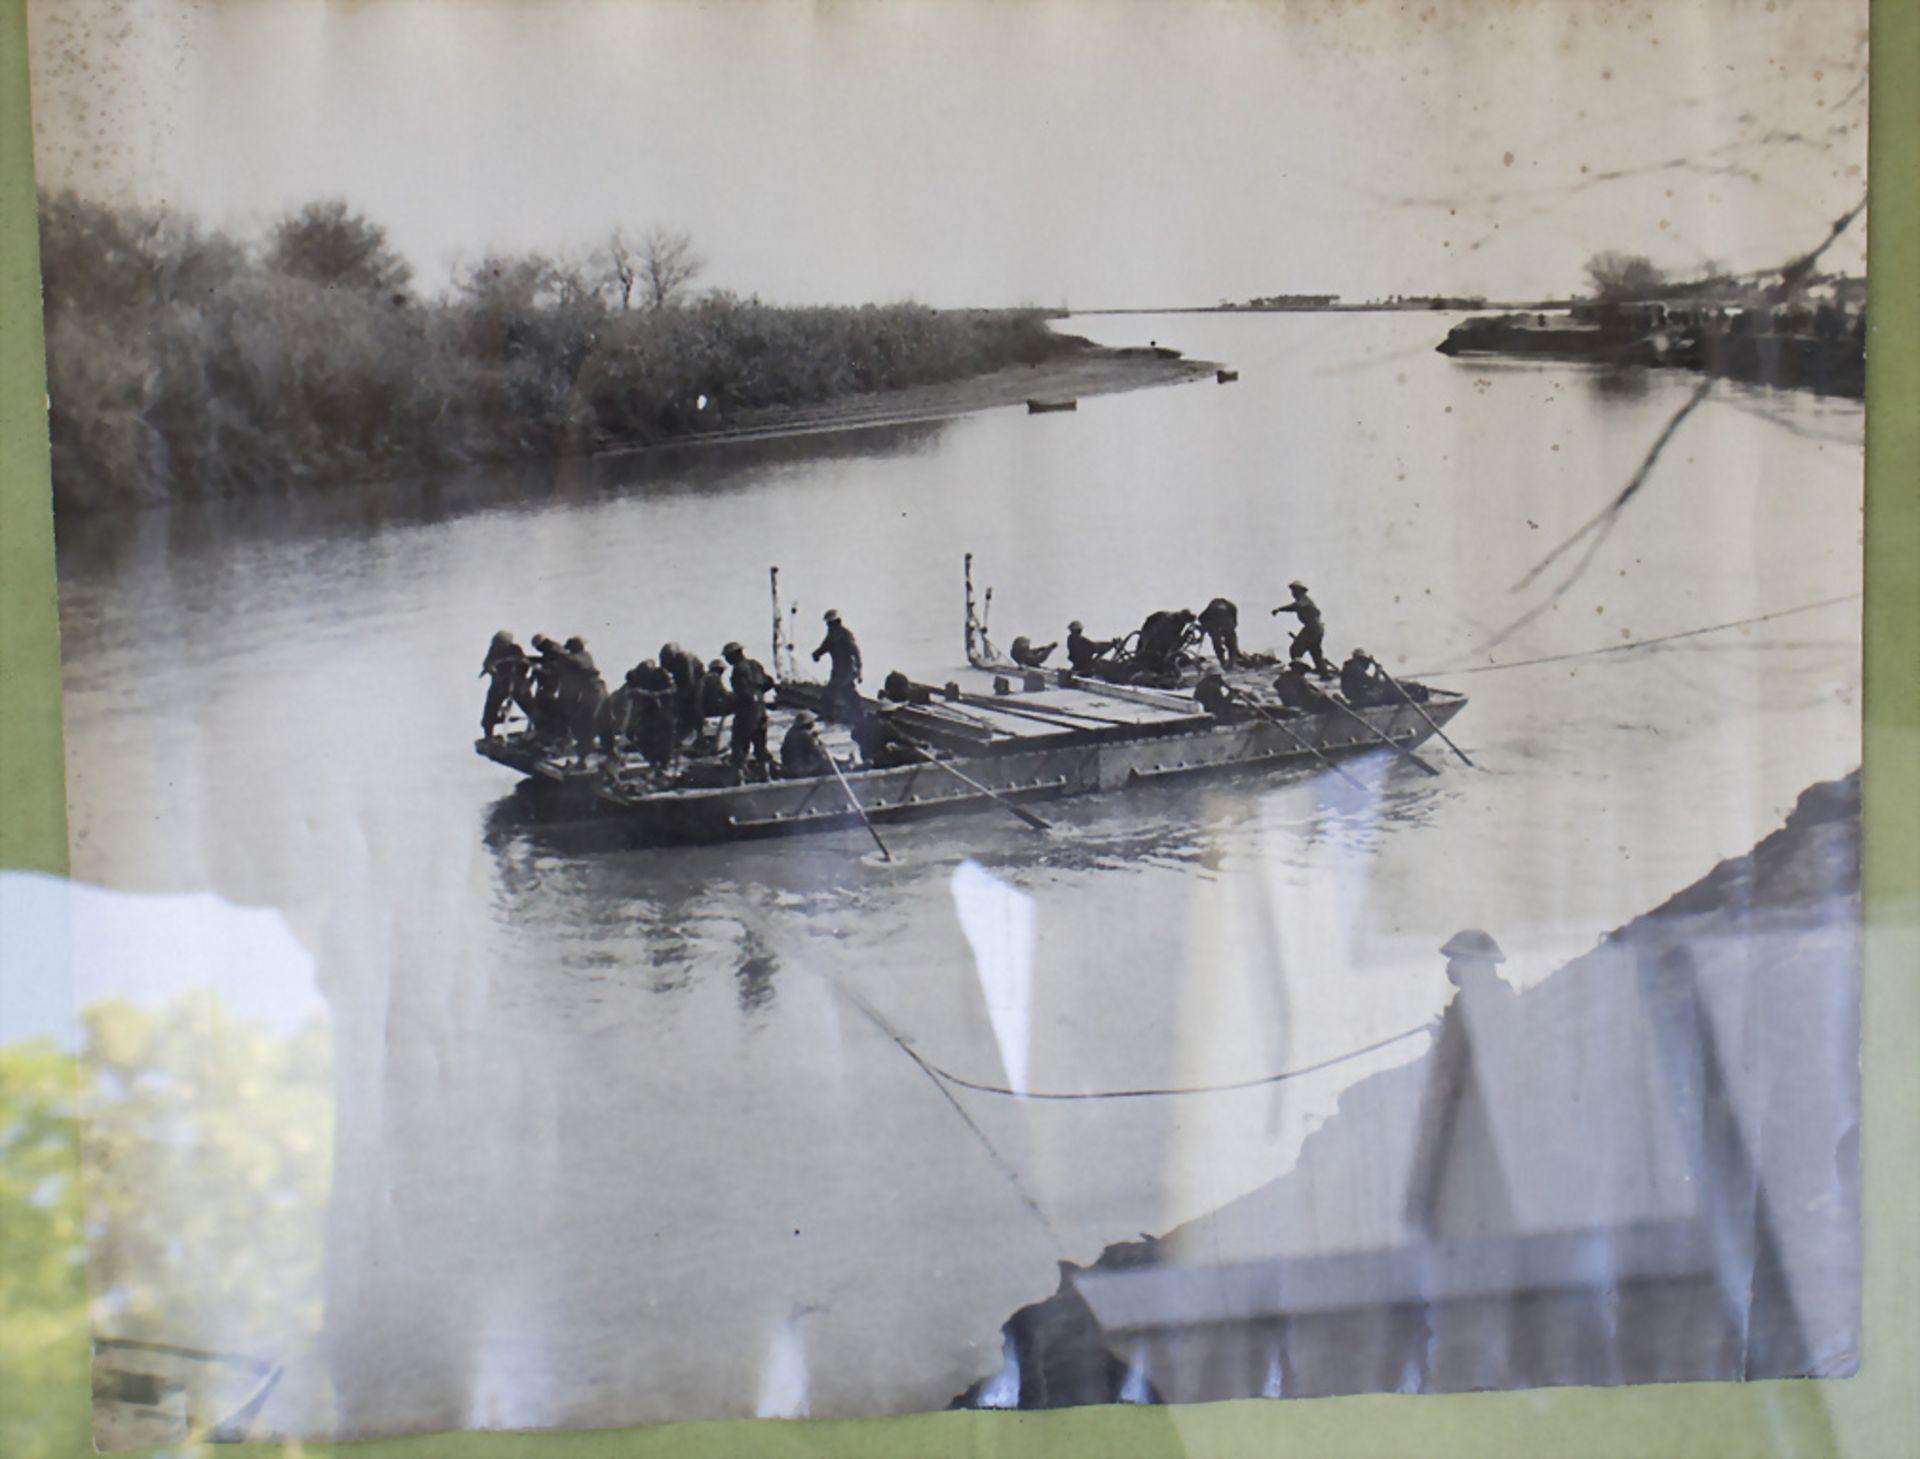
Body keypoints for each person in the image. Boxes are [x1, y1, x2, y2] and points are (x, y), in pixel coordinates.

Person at [723, 641, 774, 772]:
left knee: (739, 745)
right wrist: (758, 693)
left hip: (747, 713)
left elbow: (742, 694)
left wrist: (730, 702)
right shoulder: (755, 665)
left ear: (734, 655)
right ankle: (766, 774)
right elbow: (769, 682)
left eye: (727, 657)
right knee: (760, 745)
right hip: (761, 711)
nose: (727, 660)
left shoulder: (738, 670)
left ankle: (739, 776)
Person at [1271, 582, 1332, 677]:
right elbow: (1294, 607)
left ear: (1300, 591)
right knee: (1315, 651)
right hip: (1317, 628)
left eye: (1294, 590)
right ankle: (1324, 674)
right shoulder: (1303, 600)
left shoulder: (1304, 599)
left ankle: (1297, 672)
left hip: (1312, 628)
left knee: (1295, 649)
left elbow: (1295, 606)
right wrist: (1279, 610)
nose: (1293, 593)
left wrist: (1279, 609)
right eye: (1292, 591)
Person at [627, 658, 679, 769]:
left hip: (665, 711)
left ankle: (663, 763)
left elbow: (673, 689)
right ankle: (653, 762)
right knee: (643, 738)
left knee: (665, 737)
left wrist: (655, 694)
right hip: (649, 713)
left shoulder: (662, 675)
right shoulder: (638, 679)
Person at [812, 610, 863, 721]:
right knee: (844, 692)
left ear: (834, 622)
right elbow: (825, 646)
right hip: (838, 669)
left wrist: (859, 670)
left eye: (828, 623)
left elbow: (856, 652)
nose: (827, 625)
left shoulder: (845, 634)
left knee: (834, 692)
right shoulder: (833, 634)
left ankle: (831, 715)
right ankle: (855, 715)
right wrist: (817, 654)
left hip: (847, 670)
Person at [479, 631, 533, 737]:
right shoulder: (494, 650)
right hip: (502, 683)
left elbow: (524, 664)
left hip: (515, 682)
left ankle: (538, 730)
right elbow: (487, 663)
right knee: (490, 708)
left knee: (529, 707)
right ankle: (488, 734)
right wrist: (492, 671)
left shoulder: (514, 649)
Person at [780, 711, 835, 779]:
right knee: (826, 765)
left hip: (789, 769)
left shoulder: (790, 733)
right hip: (802, 771)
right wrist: (823, 746)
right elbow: (817, 752)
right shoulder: (806, 735)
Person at [1197, 597, 1242, 669]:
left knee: (1227, 644)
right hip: (1220, 625)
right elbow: (1202, 621)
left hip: (1226, 625)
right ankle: (1227, 663)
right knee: (1222, 644)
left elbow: (1235, 623)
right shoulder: (1209, 615)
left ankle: (1228, 663)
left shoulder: (1230, 607)